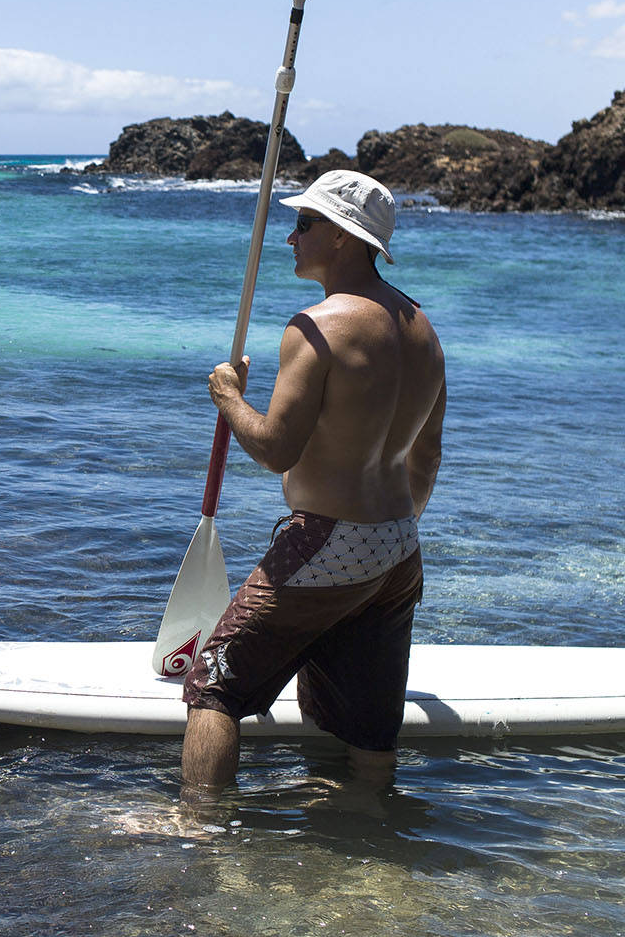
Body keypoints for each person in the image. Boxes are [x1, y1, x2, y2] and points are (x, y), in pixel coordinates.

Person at [180, 169, 446, 795]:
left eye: (305, 224)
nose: (290, 237)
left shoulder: (317, 326)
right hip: (399, 547)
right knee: (369, 723)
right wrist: (384, 534)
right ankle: (375, 832)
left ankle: (194, 832)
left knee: (214, 683)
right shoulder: (423, 328)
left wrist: (228, 398)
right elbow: (426, 457)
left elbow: (276, 450)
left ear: (345, 239)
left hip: (331, 542)